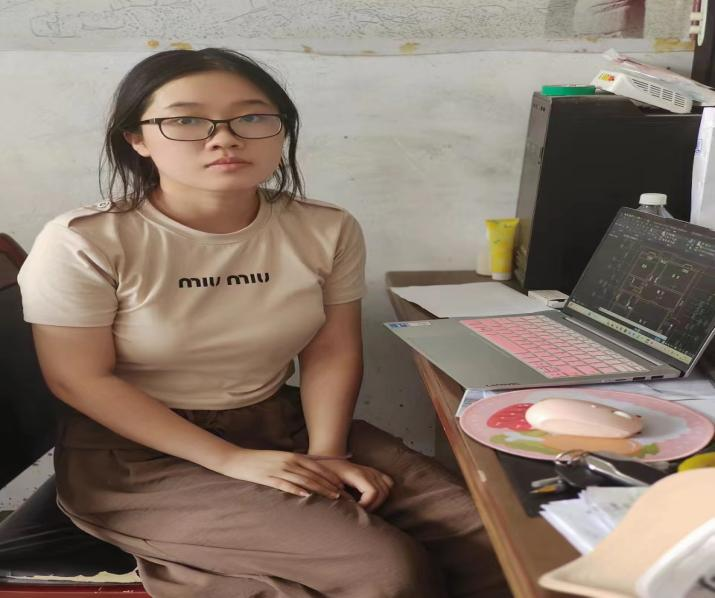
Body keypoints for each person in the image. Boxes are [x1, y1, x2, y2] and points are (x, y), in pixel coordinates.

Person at [17, 48, 508, 598]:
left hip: (280, 421)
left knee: (493, 536)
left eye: (251, 117)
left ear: (281, 130)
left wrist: (327, 455)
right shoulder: (84, 241)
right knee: (383, 570)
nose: (224, 138)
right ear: (137, 138)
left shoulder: (325, 228)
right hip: (136, 456)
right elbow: (78, 379)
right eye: (186, 120)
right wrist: (231, 460)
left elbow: (330, 351)